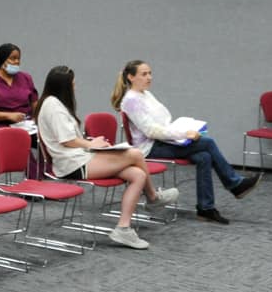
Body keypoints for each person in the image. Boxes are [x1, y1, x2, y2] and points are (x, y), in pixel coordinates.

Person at [36, 65, 178, 249]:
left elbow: (68, 138)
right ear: (64, 86)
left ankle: (123, 229)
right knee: (135, 154)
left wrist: (91, 143)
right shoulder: (53, 106)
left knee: (138, 175)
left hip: (80, 157)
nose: (75, 86)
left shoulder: (55, 103)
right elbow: (67, 140)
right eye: (72, 83)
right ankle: (153, 198)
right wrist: (90, 144)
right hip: (72, 164)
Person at [113, 59, 260, 224]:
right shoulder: (131, 100)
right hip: (150, 147)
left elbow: (162, 122)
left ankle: (206, 208)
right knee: (208, 142)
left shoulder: (145, 94)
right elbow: (151, 131)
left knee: (204, 156)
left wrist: (180, 131)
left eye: (150, 73)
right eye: (144, 74)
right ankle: (235, 184)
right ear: (131, 77)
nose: (149, 77)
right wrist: (184, 133)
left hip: (162, 141)